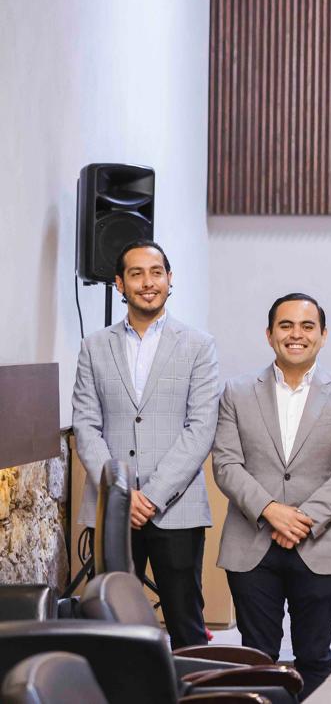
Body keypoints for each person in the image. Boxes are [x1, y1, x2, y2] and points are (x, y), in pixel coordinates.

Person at [213, 293, 331, 699]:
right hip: (251, 543)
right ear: (269, 335)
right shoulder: (237, 391)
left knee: (315, 656)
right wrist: (270, 510)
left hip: (318, 543)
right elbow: (226, 464)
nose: (296, 335)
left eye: (306, 326)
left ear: (322, 335)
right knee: (257, 657)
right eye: (285, 326)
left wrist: (302, 518)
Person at [72, 240, 219, 648]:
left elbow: (201, 427)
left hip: (176, 510)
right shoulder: (93, 346)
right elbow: (86, 425)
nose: (147, 282)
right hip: (112, 509)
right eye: (135, 274)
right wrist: (121, 494)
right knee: (113, 626)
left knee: (186, 625)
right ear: (120, 283)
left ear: (170, 280)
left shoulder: (198, 346)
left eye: (156, 273)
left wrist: (150, 496)